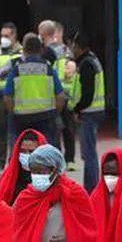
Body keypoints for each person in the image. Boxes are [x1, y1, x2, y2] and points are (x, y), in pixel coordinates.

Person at [5, 34, 66, 146]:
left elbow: (7, 97)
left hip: (21, 118)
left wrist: (13, 112)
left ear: (24, 50)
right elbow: (60, 96)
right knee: (47, 150)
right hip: (46, 116)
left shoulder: (16, 69)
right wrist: (55, 112)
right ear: (40, 50)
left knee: (19, 149)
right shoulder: (48, 69)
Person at [69, 32, 107, 192]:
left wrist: (76, 109)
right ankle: (91, 185)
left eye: (72, 45)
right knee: (88, 152)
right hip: (93, 111)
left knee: (89, 154)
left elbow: (87, 94)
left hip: (89, 113)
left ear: (78, 46)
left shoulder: (86, 64)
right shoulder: (90, 60)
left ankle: (91, 188)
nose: (71, 48)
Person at [41, 21, 77, 171]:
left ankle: (62, 159)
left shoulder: (50, 52)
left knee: (59, 129)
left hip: (57, 96)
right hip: (64, 95)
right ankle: (68, 160)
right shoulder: (68, 51)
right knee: (66, 129)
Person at [0, 21, 21, 169]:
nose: (3, 38)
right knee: (0, 129)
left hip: (16, 96)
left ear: (14, 35)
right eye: (2, 35)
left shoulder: (21, 52)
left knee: (14, 131)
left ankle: (13, 162)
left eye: (7, 36)